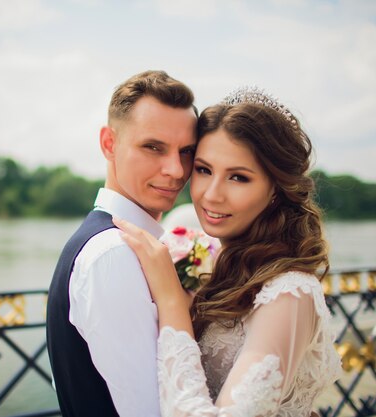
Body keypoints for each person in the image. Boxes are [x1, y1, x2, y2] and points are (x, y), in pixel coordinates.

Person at [114, 87, 342, 416]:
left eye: (238, 177)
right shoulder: (222, 265)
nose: (211, 195)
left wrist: (171, 302)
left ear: (276, 189)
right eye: (204, 170)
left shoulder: (288, 293)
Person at [46, 70, 198, 417]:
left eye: (186, 151)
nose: (176, 170)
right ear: (109, 143)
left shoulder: (113, 243)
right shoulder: (113, 254)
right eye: (153, 147)